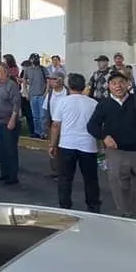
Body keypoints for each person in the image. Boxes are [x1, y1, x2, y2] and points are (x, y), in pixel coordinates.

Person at [87, 71, 136, 221]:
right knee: (119, 184)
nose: (118, 86)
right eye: (114, 83)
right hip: (116, 152)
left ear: (128, 84)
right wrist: (104, 136)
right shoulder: (104, 104)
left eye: (121, 82)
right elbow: (92, 126)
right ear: (109, 86)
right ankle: (126, 214)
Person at [48, 73, 100, 213]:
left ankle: (65, 205)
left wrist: (52, 144)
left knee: (65, 178)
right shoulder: (93, 103)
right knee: (90, 179)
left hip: (67, 144)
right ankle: (93, 206)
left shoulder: (63, 102)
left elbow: (55, 125)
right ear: (83, 86)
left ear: (69, 86)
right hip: (88, 145)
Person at [0, 63, 22, 185]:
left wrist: (13, 119)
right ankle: (4, 173)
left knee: (10, 149)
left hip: (8, 122)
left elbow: (16, 104)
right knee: (1, 148)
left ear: (6, 72)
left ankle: (13, 176)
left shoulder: (11, 86)